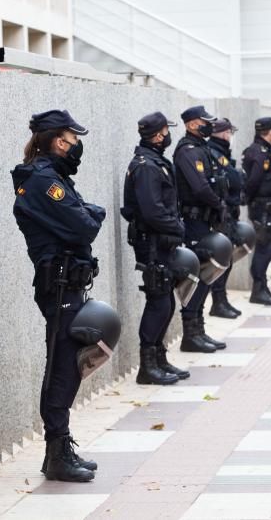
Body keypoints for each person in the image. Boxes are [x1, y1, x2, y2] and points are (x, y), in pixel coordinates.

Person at [11, 109, 105, 483]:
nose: (76, 147)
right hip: (59, 285)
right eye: (71, 139)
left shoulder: (53, 178)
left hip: (69, 282)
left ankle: (62, 446)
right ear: (56, 140)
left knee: (68, 364)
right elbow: (84, 226)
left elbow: (83, 219)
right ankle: (56, 452)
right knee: (62, 366)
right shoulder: (42, 181)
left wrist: (87, 214)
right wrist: (88, 215)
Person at [121, 112, 190, 385]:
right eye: (165, 132)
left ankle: (159, 357)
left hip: (161, 242)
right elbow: (152, 212)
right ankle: (147, 366)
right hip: (153, 243)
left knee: (165, 300)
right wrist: (178, 227)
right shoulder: (147, 166)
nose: (168, 136)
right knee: (158, 302)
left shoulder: (153, 161)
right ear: (159, 134)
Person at [172, 105, 228, 353]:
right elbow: (200, 187)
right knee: (197, 276)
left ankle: (199, 329)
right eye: (204, 121)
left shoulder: (202, 149)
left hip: (206, 220)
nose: (208, 125)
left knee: (206, 277)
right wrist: (218, 203)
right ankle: (190, 334)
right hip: (194, 223)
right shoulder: (187, 151)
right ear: (192, 124)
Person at [241, 117, 271, 306]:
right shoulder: (259, 152)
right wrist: (250, 200)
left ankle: (263, 287)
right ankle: (258, 289)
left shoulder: (262, 150)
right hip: (262, 207)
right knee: (264, 249)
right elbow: (253, 181)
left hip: (266, 206)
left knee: (267, 248)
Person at [206, 118, 244, 319]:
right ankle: (218, 302)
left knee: (227, 259)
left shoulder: (221, 153)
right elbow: (229, 180)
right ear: (222, 133)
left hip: (228, 212)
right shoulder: (214, 153)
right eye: (229, 132)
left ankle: (222, 300)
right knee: (222, 259)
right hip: (221, 214)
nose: (231, 137)